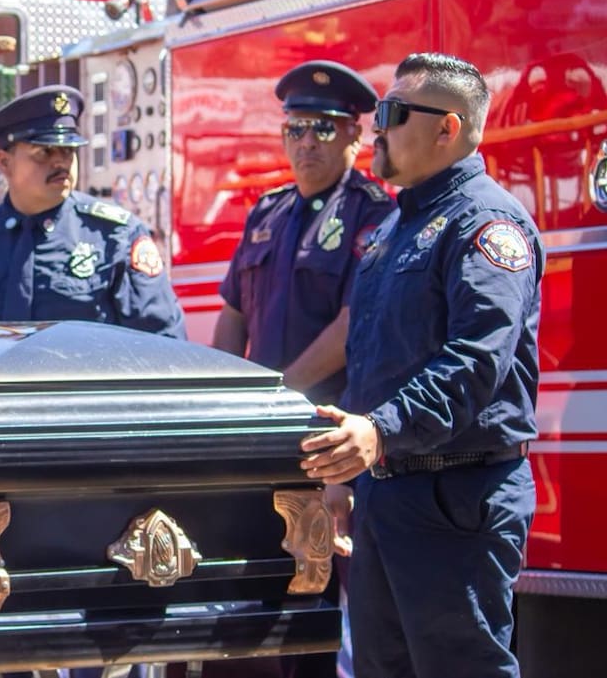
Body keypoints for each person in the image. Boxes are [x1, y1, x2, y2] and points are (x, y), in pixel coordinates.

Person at [300, 53, 541, 678]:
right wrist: (348, 476)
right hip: (389, 490)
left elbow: (476, 360)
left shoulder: (486, 224)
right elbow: (375, 360)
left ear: (447, 129)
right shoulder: (393, 228)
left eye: (392, 112)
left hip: (456, 496)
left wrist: (377, 432)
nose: (377, 127)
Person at [0, 84, 185, 338]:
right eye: (44, 152)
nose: (61, 162)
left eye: (68, 151)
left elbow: (163, 342)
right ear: (5, 162)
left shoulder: (114, 236)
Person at [213, 60, 393, 406]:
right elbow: (233, 313)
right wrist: (227, 393)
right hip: (259, 415)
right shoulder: (267, 212)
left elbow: (351, 324)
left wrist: (279, 394)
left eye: (323, 129)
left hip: (329, 417)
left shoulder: (373, 214)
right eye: (297, 129)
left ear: (354, 136)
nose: (307, 142)